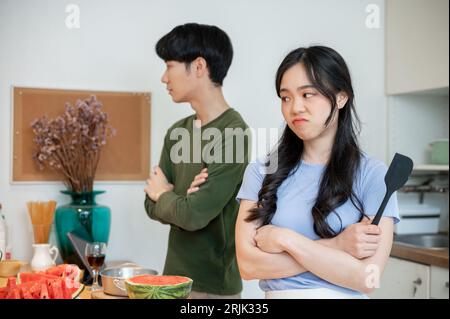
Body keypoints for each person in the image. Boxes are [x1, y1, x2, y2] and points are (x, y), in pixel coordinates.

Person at [235, 46, 399, 299]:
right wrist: (337, 246)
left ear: (341, 97)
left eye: (308, 94)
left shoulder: (373, 174)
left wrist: (286, 239)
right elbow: (248, 266)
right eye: (285, 97)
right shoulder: (262, 170)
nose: (295, 108)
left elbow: (368, 277)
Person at [144, 23, 250, 299]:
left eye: (169, 66)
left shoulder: (233, 133)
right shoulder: (178, 132)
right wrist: (180, 200)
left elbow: (194, 215)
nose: (164, 78)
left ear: (199, 66)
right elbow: (149, 203)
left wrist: (166, 195)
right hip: (171, 281)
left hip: (212, 287)